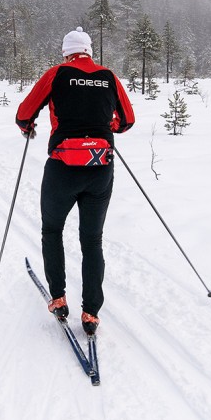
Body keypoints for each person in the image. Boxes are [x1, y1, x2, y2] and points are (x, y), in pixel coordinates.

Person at [14, 28, 135, 336]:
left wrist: (28, 126)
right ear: (89, 52)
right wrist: (108, 124)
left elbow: (23, 113)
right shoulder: (108, 76)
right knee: (92, 240)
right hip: (100, 169)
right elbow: (128, 120)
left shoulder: (57, 74)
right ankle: (91, 313)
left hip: (62, 169)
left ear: (67, 52)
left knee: (52, 231)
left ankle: (58, 298)